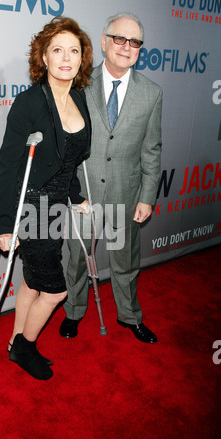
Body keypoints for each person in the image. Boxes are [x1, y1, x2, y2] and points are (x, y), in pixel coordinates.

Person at [0, 17, 92, 380]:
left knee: (32, 282)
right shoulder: (29, 102)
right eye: (57, 50)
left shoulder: (78, 97)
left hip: (57, 207)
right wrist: (3, 224)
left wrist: (77, 196)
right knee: (55, 291)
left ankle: (16, 339)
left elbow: (71, 160)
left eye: (74, 51)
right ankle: (24, 347)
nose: (66, 58)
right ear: (44, 57)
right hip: (32, 209)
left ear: (82, 58)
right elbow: (7, 166)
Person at [60, 12, 162, 343]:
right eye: (119, 38)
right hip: (84, 195)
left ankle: (129, 316)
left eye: (134, 42)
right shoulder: (78, 84)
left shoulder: (152, 93)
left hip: (126, 194)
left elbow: (152, 149)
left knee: (125, 262)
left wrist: (147, 196)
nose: (126, 46)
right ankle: (73, 312)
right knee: (75, 259)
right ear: (104, 42)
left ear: (139, 49)